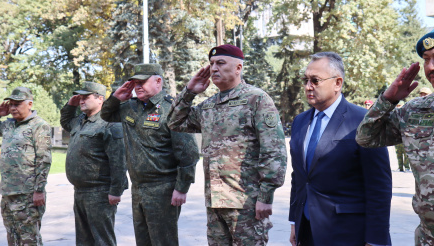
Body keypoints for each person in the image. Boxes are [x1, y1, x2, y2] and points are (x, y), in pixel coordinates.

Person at [356, 23, 434, 244]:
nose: (431, 67)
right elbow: (366, 137)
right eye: (426, 59)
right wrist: (388, 100)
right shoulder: (415, 110)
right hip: (429, 239)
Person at [167, 44, 287, 245]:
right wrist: (189, 91)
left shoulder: (256, 99)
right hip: (215, 202)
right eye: (212, 64)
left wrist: (266, 195)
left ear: (238, 68)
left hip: (246, 203)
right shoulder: (209, 105)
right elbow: (174, 122)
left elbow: (274, 150)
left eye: (221, 63)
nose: (214, 68)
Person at [288, 52, 392, 246]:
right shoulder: (300, 122)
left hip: (349, 232)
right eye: (305, 80)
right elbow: (300, 177)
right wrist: (295, 221)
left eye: (315, 80)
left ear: (337, 83)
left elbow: (379, 187)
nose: (308, 86)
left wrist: (376, 240)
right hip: (308, 230)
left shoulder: (363, 121)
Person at [100, 63, 199, 246]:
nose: (137, 86)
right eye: (135, 82)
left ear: (158, 81)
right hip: (139, 188)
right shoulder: (131, 107)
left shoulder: (172, 109)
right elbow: (105, 115)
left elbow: (189, 153)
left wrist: (182, 187)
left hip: (163, 188)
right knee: (143, 241)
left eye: (142, 82)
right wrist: (115, 98)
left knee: (163, 241)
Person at [0, 86, 52, 245]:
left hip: (27, 194)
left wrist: (39, 190)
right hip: (8, 192)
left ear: (30, 104)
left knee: (29, 240)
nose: (13, 108)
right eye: (11, 104)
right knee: (12, 238)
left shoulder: (39, 126)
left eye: (17, 104)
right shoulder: (8, 125)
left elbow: (44, 159)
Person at [60, 82, 128, 246]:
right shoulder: (80, 120)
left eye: (86, 97)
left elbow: (119, 160)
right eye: (80, 97)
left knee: (102, 240)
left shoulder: (109, 123)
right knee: (83, 240)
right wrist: (70, 105)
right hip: (81, 191)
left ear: (100, 99)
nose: (81, 101)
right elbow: (65, 121)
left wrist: (116, 191)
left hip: (100, 192)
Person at [394, 101, 410, 172]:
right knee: (398, 153)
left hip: (406, 138)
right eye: (397, 106)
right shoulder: (395, 116)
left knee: (406, 154)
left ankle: (407, 167)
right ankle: (400, 167)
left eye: (400, 105)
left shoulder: (407, 115)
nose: (398, 107)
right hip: (397, 138)